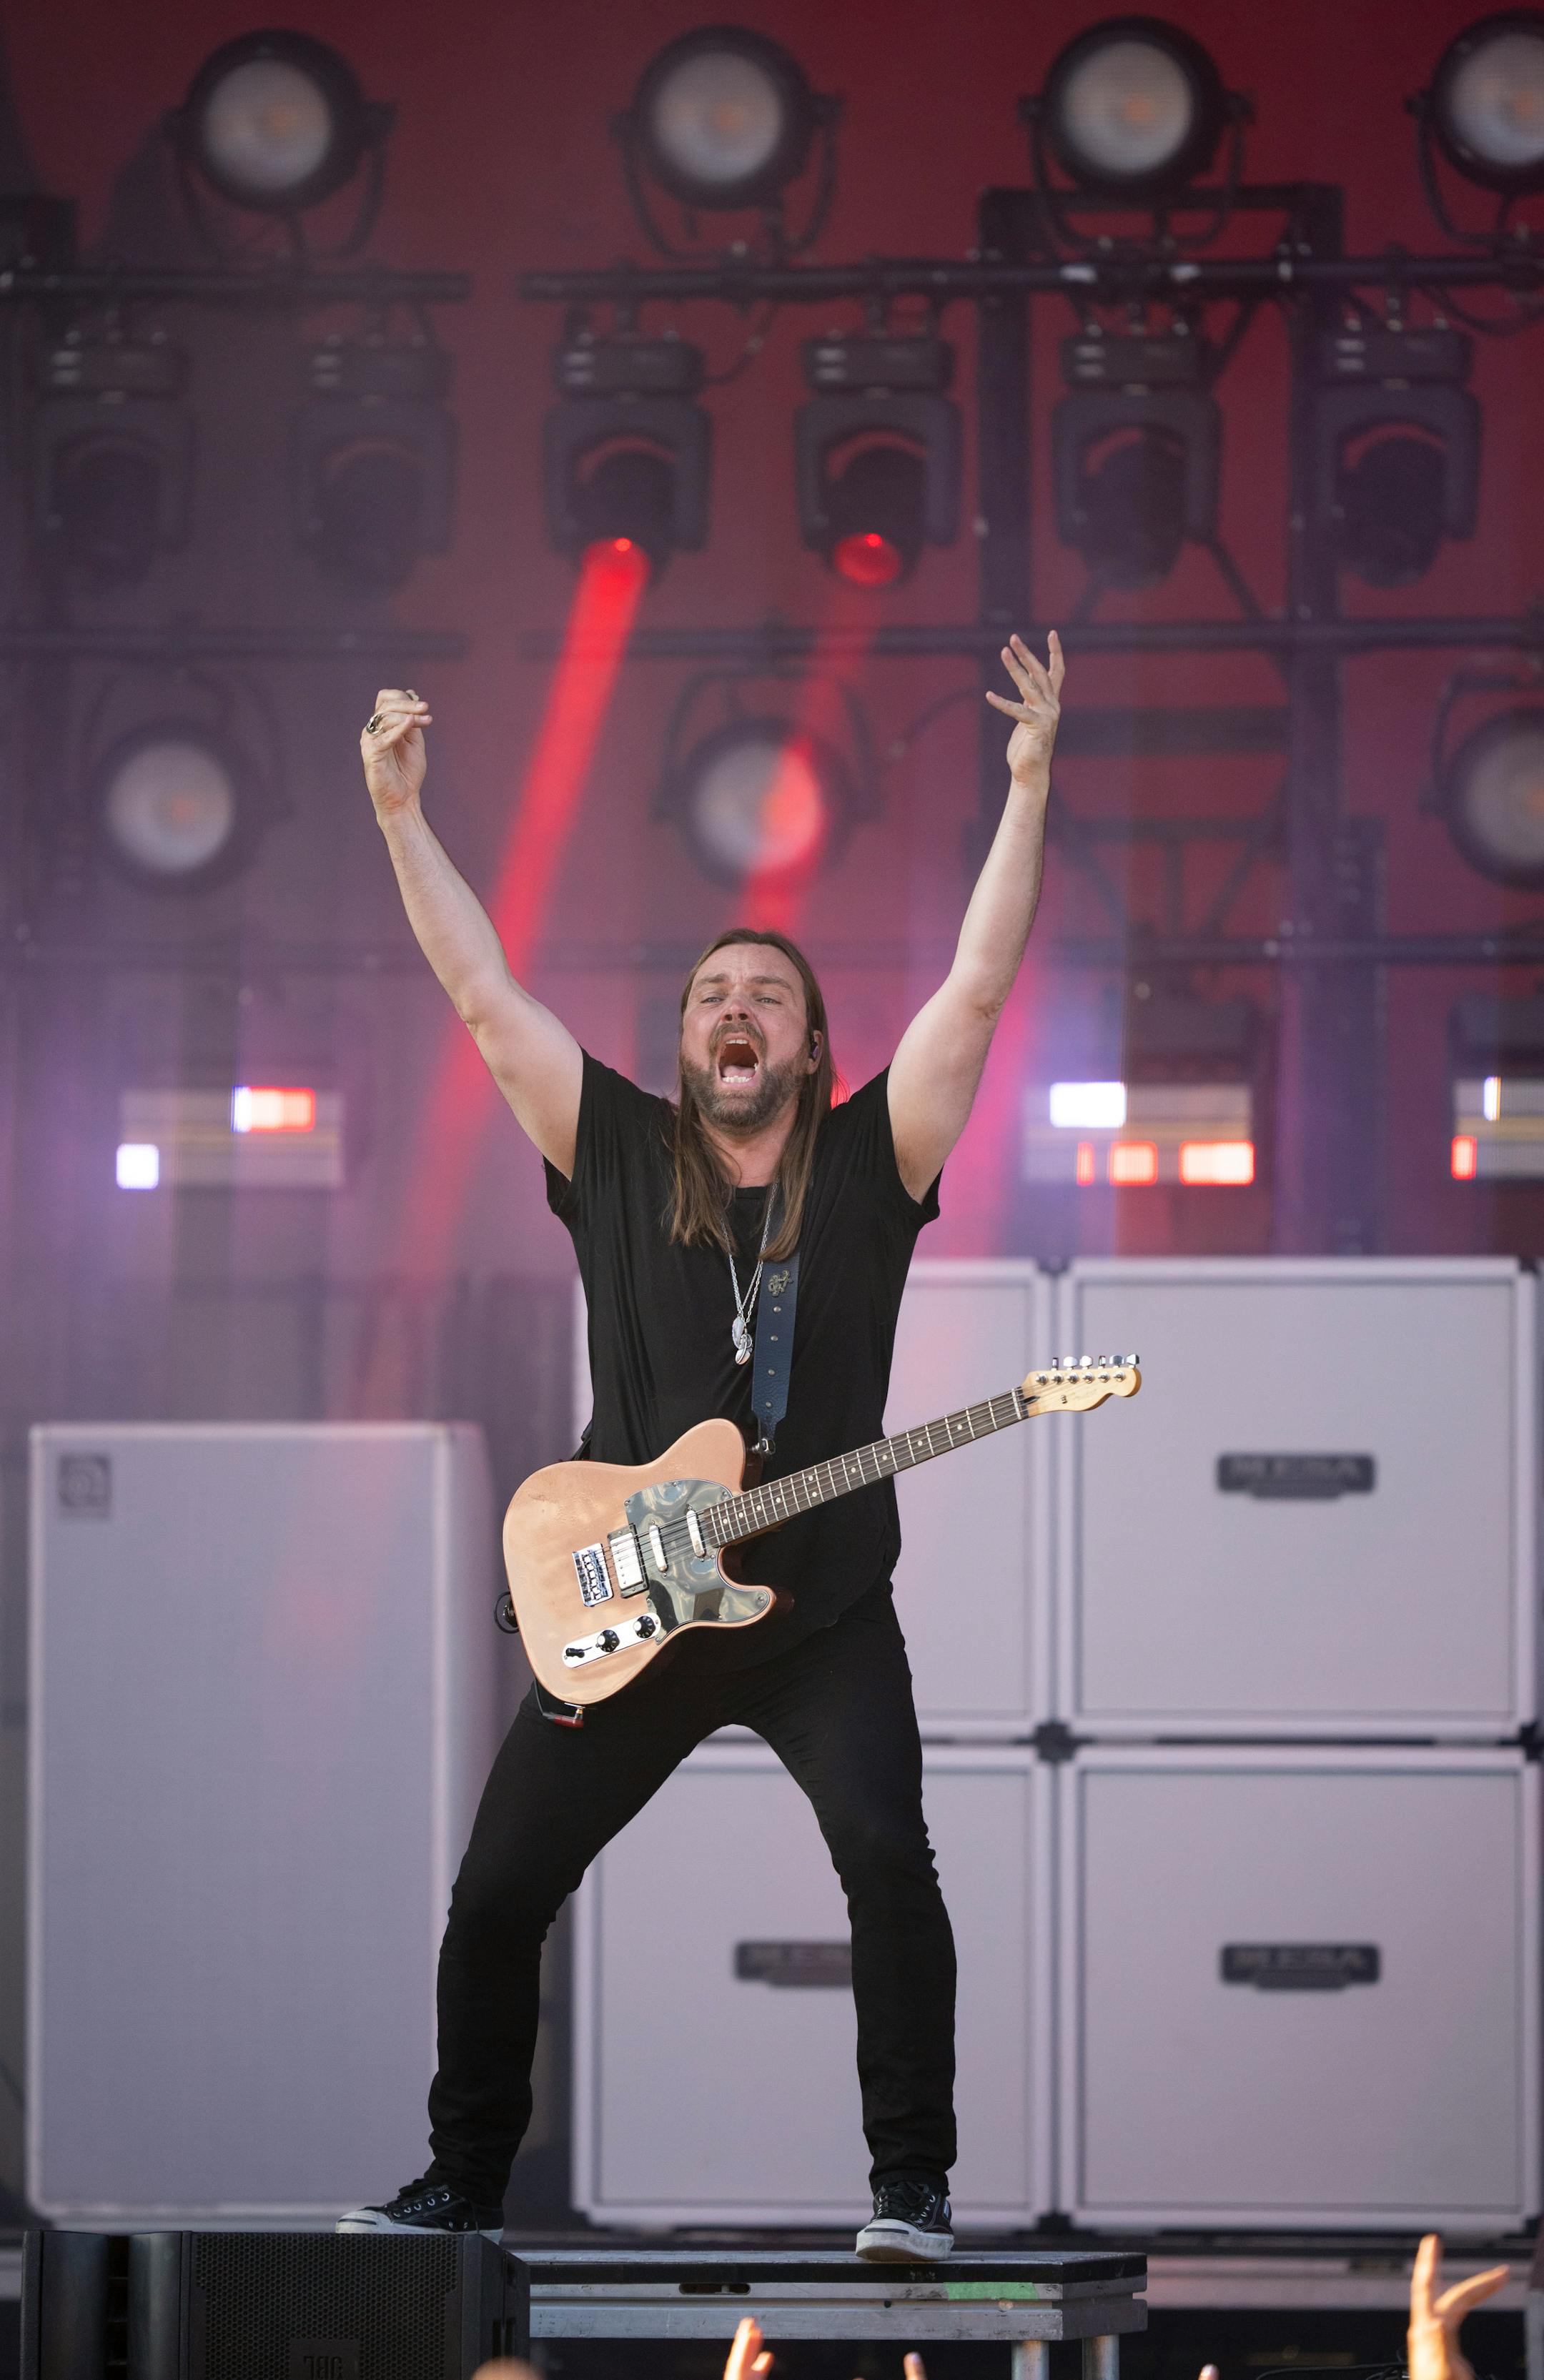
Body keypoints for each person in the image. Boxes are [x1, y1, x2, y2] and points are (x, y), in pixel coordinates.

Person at [339, 630, 1064, 2261]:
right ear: (686, 1046)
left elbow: (978, 986)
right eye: (712, 998)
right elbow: (478, 989)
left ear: (810, 1051)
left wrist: (1023, 790)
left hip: (818, 1622)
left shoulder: (875, 1166)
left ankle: (910, 2191)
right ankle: (463, 2181)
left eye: (771, 1000)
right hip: (631, 1609)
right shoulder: (612, 1150)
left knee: (890, 1857)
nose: (738, 1013)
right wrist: (399, 817)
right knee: (497, 1894)